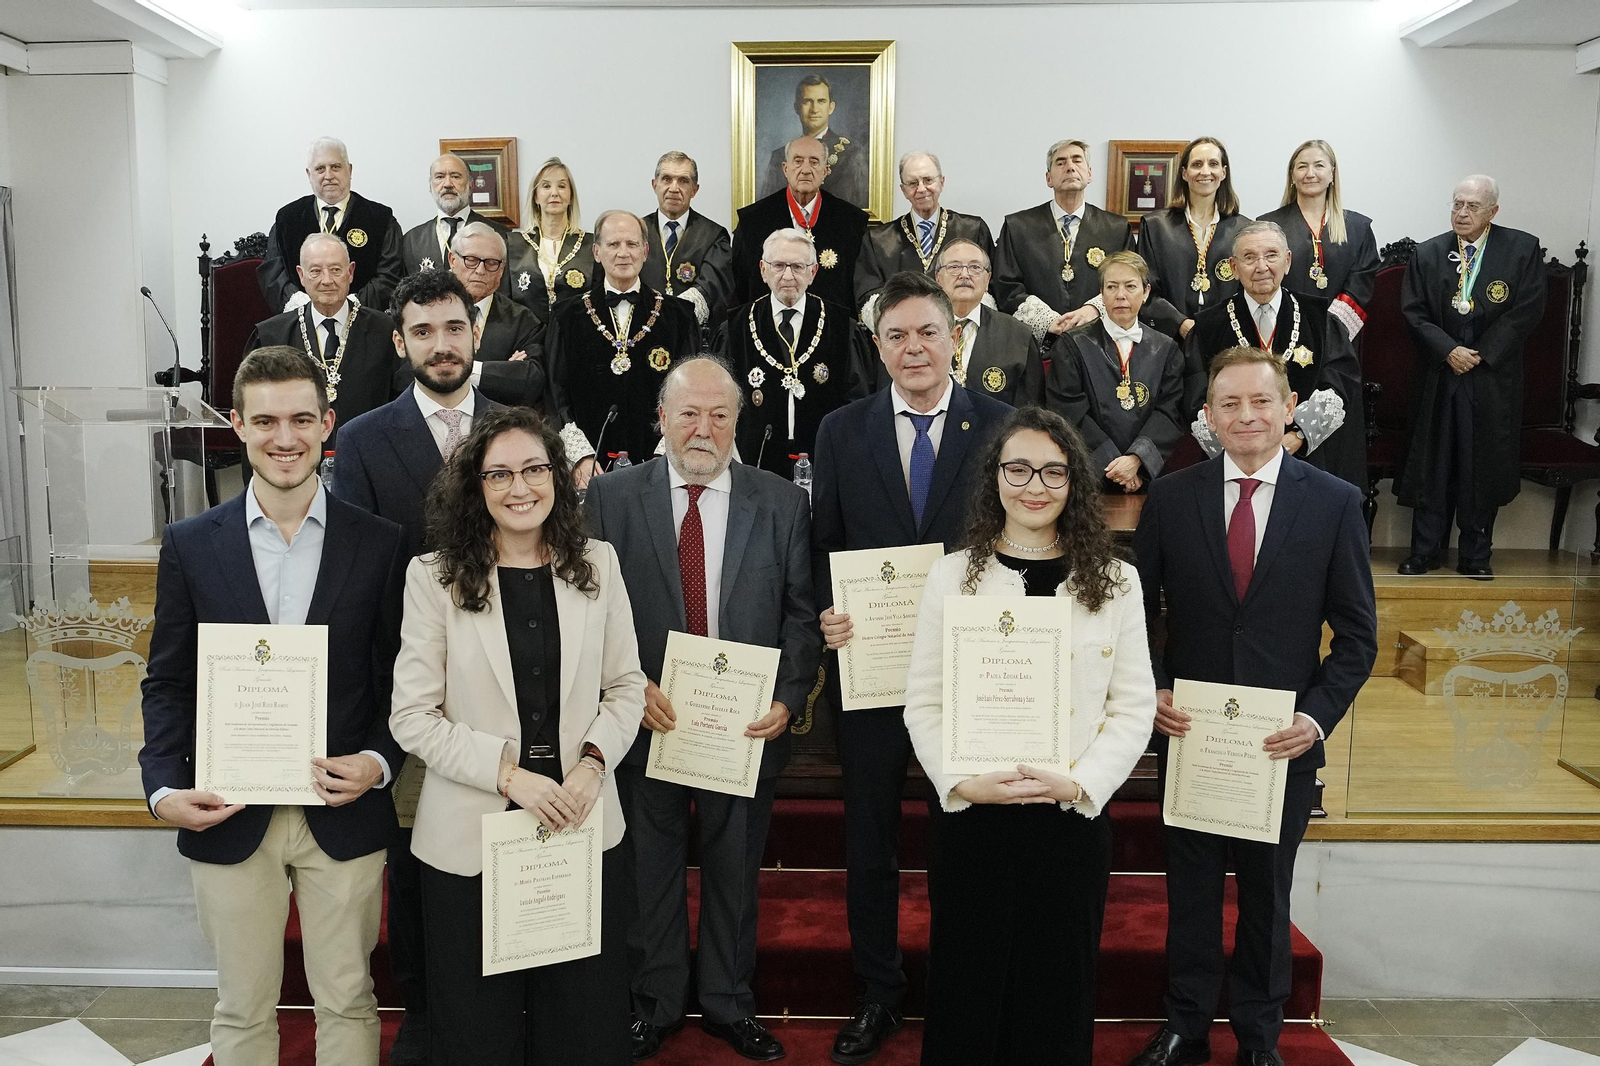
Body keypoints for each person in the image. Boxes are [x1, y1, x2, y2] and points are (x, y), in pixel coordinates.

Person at [140, 346, 408, 1066]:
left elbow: (403, 684)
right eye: (264, 421)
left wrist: (381, 763)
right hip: (227, 810)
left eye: (299, 419)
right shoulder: (192, 545)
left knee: (349, 1000)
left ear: (328, 424)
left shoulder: (381, 546)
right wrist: (163, 788)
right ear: (237, 425)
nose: (284, 438)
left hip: (342, 814)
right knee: (241, 1006)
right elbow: (167, 681)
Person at [1129, 346, 1377, 1066]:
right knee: (1193, 894)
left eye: (1260, 401)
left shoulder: (1332, 503)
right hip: (1194, 738)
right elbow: (1132, 613)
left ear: (1288, 407)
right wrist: (1152, 687)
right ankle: (1186, 1026)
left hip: (1283, 746)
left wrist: (1316, 716)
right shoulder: (1172, 498)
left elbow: (1358, 637)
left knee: (1268, 900)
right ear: (1207, 416)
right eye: (1229, 404)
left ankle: (1259, 1037)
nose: (1246, 416)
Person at [389, 406, 645, 1066]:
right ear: (474, 487)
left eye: (534, 468)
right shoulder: (435, 578)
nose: (519, 487)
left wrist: (590, 767)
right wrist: (510, 775)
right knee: (479, 1036)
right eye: (498, 473)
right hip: (470, 840)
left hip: (579, 827)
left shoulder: (600, 566)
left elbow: (626, 689)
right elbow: (411, 716)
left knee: (583, 1028)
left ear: (558, 476)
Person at [584, 356, 821, 1064]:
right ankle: (654, 1004)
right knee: (648, 869)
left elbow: (801, 616)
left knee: (734, 870)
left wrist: (788, 696)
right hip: (646, 721)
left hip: (742, 729)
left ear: (738, 421)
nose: (704, 427)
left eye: (720, 414)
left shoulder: (780, 502)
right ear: (660, 418)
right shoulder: (612, 499)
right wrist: (622, 686)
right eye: (689, 412)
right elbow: (587, 610)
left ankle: (726, 1002)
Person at [903, 405, 1155, 1066]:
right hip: (975, 820)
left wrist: (1080, 782)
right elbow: (922, 702)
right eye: (1018, 468)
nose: (1034, 485)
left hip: (1067, 821)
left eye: (1053, 471)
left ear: (1073, 482)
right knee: (966, 990)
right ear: (995, 477)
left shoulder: (1118, 584)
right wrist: (961, 783)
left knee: (1057, 992)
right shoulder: (951, 577)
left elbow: (1132, 709)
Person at [810, 270, 1013, 1065]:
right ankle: (879, 990)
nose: (914, 348)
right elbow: (826, 544)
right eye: (896, 335)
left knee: (966, 834)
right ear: (878, 346)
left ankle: (965, 985)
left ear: (954, 336)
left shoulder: (1000, 426)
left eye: (928, 331)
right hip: (871, 673)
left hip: (969, 675)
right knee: (872, 839)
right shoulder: (841, 431)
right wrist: (827, 609)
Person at [1395, 175, 1546, 579]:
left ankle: (1475, 555)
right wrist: (1449, 350)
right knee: (1435, 463)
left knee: (1481, 464)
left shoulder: (1521, 249)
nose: (1461, 213)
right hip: (1439, 374)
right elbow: (1414, 312)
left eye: (1472, 207)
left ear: (1493, 211)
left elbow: (1526, 309)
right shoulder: (1428, 253)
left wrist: (1482, 354)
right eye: (1457, 205)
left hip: (1491, 377)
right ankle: (1424, 551)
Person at [1184, 221, 1365, 489]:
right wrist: (1247, 448)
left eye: (1271, 255)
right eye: (1249, 257)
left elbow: (1340, 382)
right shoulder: (1208, 327)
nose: (1261, 267)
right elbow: (1198, 400)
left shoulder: (1320, 319)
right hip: (1234, 468)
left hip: (1308, 460)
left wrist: (1298, 436)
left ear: (1287, 261)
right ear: (1234, 267)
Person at [546, 210, 701, 481]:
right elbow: (555, 391)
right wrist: (580, 455)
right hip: (588, 467)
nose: (623, 253)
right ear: (596, 252)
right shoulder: (565, 316)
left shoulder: (680, 316)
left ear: (645, 250)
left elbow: (691, 392)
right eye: (613, 244)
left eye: (631, 244)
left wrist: (667, 453)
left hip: (662, 462)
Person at [715, 227, 874, 478]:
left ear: (813, 272)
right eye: (778, 265)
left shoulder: (843, 327)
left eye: (798, 267)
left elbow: (859, 403)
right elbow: (719, 404)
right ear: (763, 270)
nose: (788, 275)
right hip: (753, 465)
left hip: (826, 462)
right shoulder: (734, 329)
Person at [1047, 251, 1186, 492]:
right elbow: (1067, 409)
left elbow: (1169, 412)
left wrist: (1136, 460)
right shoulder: (1072, 345)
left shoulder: (1167, 349)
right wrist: (1112, 466)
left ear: (1146, 293)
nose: (1120, 295)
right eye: (1112, 287)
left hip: (1146, 476)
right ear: (1101, 294)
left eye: (1130, 286)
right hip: (1087, 476)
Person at [243, 233, 398, 445]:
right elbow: (254, 414)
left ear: (350, 272)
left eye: (336, 270)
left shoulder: (386, 331)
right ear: (301, 275)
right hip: (294, 458)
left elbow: (401, 407)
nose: (327, 281)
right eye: (315, 271)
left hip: (371, 458)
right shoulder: (271, 336)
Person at [992, 139, 1136, 344]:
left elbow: (1131, 281)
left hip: (1100, 342)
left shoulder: (1117, 229)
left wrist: (1092, 310)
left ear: (1089, 174)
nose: (1070, 167)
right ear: (1049, 178)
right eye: (1060, 162)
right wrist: (1048, 321)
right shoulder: (1018, 227)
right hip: (1036, 346)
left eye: (1077, 160)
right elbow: (1005, 286)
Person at [260, 137, 404, 314]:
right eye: (320, 169)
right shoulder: (287, 219)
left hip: (364, 323)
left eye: (335, 167)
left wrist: (348, 308)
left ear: (349, 170)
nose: (328, 176)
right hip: (301, 323)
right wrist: (305, 307)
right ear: (309, 174)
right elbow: (273, 274)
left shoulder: (381, 219)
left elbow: (389, 276)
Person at [855, 152, 995, 326]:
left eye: (928, 180)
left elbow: (989, 287)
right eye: (913, 183)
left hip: (962, 332)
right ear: (903, 190)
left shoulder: (973, 229)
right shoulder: (877, 239)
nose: (921, 189)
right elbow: (869, 297)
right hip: (902, 336)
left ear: (941, 182)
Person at [1258, 140, 1379, 342]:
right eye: (1302, 166)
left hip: (1339, 341)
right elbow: (1262, 280)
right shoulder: (1268, 226)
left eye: (1319, 165)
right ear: (1292, 176)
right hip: (1281, 334)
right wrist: (1295, 326)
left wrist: (1328, 330)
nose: (1310, 173)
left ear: (1332, 174)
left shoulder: (1359, 228)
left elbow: (1361, 287)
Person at [732, 135, 870, 310]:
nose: (805, 170)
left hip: (831, 329)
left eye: (814, 162)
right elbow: (740, 288)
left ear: (826, 171)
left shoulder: (851, 221)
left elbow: (857, 287)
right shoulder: (752, 221)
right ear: (785, 169)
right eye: (798, 161)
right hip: (767, 327)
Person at [1135, 136, 1251, 340]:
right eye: (1197, 164)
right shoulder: (1155, 227)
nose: (1205, 171)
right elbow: (1145, 288)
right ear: (1185, 173)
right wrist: (1180, 323)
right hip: (1168, 339)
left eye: (1213, 164)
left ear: (1223, 172)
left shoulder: (1244, 229)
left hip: (1227, 337)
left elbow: (1249, 289)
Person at [438, 221, 546, 406]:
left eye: (491, 263)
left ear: (502, 270)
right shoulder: (427, 311)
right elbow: (406, 375)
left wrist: (448, 370)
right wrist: (498, 373)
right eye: (471, 260)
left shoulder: (523, 320)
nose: (480, 270)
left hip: (497, 424)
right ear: (452, 260)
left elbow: (530, 382)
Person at [935, 238, 1043, 407]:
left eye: (975, 267)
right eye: (954, 267)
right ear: (938, 279)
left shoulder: (1019, 336)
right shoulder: (917, 330)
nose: (964, 275)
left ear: (987, 280)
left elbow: (1030, 411)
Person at [642, 150, 735, 330]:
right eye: (666, 179)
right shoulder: (636, 232)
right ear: (654, 185)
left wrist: (670, 317)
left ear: (694, 190)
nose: (674, 188)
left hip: (693, 337)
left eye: (683, 181)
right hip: (643, 332)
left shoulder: (714, 235)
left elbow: (712, 289)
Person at [505, 157, 598, 328]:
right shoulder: (513, 244)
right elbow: (505, 304)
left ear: (570, 197)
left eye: (561, 186)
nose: (554, 192)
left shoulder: (591, 245)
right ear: (536, 197)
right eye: (546, 186)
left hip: (577, 340)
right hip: (527, 341)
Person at [758, 73, 868, 207]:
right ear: (797, 107)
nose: (814, 109)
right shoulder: (779, 156)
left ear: (831, 107)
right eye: (807, 101)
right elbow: (768, 210)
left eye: (821, 101)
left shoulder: (852, 154)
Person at [400, 153, 509, 277]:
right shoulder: (411, 240)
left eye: (456, 177)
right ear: (430, 186)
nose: (447, 184)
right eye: (439, 177)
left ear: (470, 185)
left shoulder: (501, 235)